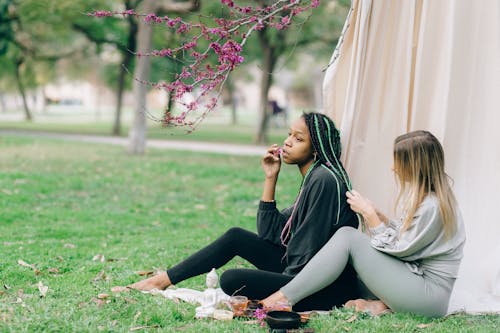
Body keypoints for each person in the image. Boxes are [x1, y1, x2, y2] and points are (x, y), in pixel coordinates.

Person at [124, 112, 360, 311]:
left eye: (298, 139)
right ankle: (161, 280)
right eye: (289, 134)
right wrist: (270, 179)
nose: (287, 141)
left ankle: (160, 281)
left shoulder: (324, 180)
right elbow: (271, 232)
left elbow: (308, 247)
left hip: (321, 285)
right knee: (235, 236)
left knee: (231, 280)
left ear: (316, 149)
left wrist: (285, 289)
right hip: (302, 269)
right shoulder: (314, 177)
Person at [261, 130, 466, 317]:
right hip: (418, 286)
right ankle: (381, 305)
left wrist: (370, 215)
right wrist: (381, 216)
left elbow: (400, 250)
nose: (393, 167)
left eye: (398, 162)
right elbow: (409, 240)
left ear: (414, 166)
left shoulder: (433, 206)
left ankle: (283, 298)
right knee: (347, 262)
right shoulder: (431, 199)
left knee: (348, 237)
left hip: (428, 297)